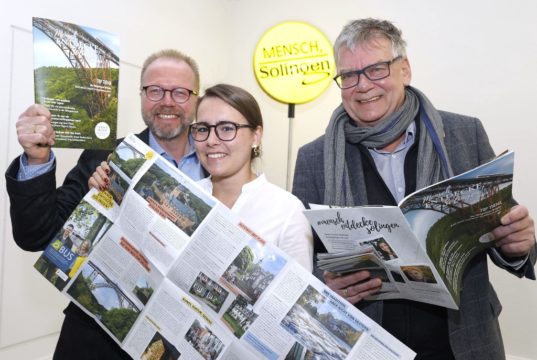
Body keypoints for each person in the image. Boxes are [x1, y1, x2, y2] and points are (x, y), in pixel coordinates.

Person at [292, 18, 536, 360]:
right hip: (367, 347)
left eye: (376, 69)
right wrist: (327, 283)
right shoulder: (314, 158)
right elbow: (304, 259)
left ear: (404, 70)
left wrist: (517, 245)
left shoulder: (465, 134)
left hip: (465, 343)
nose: (362, 86)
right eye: (349, 75)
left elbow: (500, 234)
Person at [5, 49, 206, 359]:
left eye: (180, 92)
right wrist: (37, 158)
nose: (167, 101)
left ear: (196, 100)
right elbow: (36, 234)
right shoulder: (105, 156)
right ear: (141, 95)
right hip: (97, 343)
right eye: (155, 90)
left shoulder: (218, 162)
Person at [91, 84, 313, 271]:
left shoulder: (287, 211)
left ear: (256, 136)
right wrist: (106, 195)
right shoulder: (182, 194)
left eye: (227, 128)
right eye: (203, 129)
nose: (211, 140)